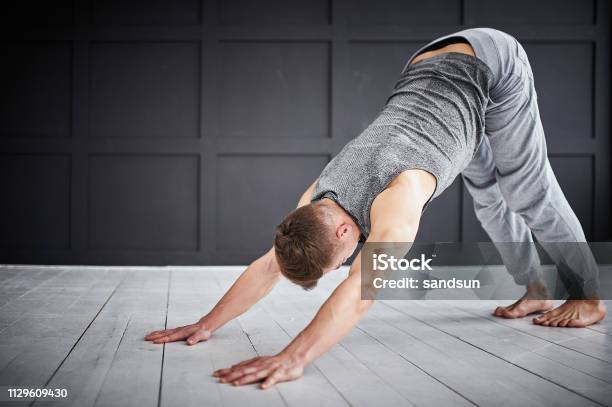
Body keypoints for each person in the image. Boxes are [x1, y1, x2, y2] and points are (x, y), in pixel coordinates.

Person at [145, 28, 606, 389]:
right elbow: (268, 267)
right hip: (426, 67)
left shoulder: (398, 197)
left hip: (491, 65)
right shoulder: (313, 203)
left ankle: (588, 296)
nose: (339, 270)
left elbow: (362, 291)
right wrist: (207, 324)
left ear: (345, 236)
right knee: (487, 196)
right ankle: (537, 288)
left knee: (526, 191)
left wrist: (294, 356)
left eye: (333, 266)